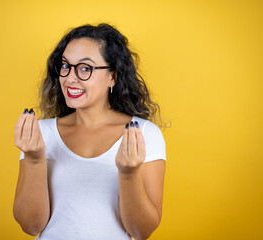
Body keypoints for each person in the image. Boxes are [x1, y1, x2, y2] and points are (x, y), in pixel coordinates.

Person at [13, 23, 168, 240]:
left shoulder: (143, 134)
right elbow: (31, 225)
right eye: (65, 65)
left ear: (112, 77)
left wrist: (129, 173)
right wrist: (34, 158)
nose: (70, 78)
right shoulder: (41, 134)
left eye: (85, 68)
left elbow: (141, 231)